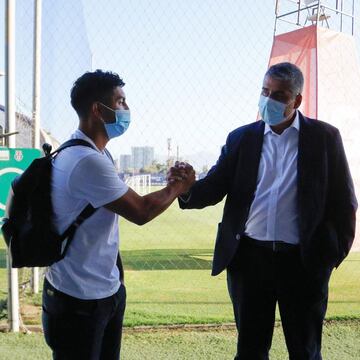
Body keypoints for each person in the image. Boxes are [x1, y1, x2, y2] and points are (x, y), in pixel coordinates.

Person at [170, 62, 357, 359]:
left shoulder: (325, 137)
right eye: (265, 91)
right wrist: (188, 188)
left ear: (297, 100)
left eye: (279, 95)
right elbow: (215, 187)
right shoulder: (242, 138)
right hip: (250, 261)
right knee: (250, 351)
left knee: (306, 351)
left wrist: (330, 256)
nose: (269, 100)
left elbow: (344, 202)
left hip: (304, 263)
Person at [42, 69, 195, 360]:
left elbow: (123, 202)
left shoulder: (92, 153)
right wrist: (179, 187)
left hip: (102, 291)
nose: (126, 109)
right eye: (121, 101)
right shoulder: (86, 161)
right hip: (81, 300)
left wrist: (170, 186)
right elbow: (140, 211)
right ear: (98, 110)